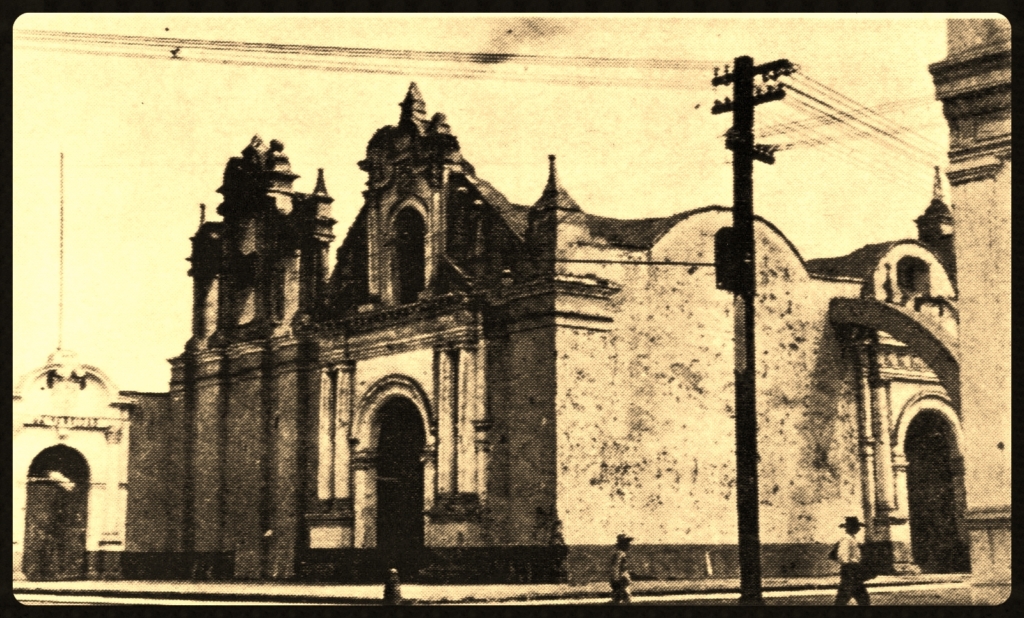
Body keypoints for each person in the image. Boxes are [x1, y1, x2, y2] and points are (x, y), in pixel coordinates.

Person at [834, 516, 871, 606]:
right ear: (850, 527)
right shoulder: (846, 539)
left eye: (858, 527)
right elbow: (843, 557)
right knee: (845, 598)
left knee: (862, 599)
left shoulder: (852, 538)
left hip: (853, 572)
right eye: (856, 527)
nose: (858, 529)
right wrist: (852, 566)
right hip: (850, 572)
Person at [609, 534, 633, 604]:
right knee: (626, 599)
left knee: (618, 598)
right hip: (621, 580)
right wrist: (616, 579)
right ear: (622, 544)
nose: (629, 545)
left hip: (621, 580)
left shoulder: (620, 553)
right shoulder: (620, 553)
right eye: (627, 543)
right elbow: (616, 566)